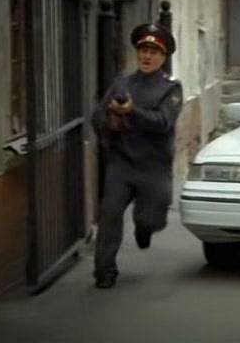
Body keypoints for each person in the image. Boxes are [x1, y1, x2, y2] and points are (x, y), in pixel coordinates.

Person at [92, 23, 183, 289]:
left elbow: (163, 122)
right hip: (122, 164)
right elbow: (97, 115)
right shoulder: (122, 83)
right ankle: (104, 271)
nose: (147, 56)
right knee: (109, 213)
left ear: (163, 58)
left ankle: (144, 228)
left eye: (154, 52)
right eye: (143, 50)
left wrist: (131, 113)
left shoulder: (171, 88)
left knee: (151, 220)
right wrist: (110, 124)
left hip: (153, 167)